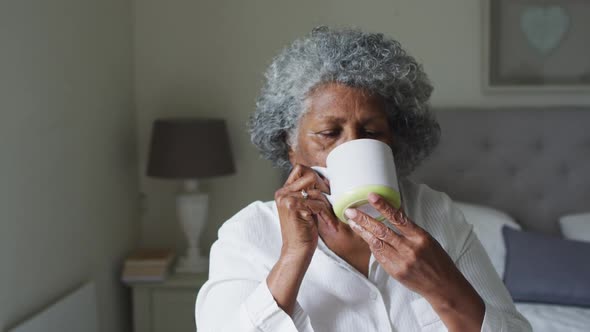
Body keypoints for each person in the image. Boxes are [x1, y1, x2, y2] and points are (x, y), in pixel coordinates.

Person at [195, 26, 531, 332]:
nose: (353, 146)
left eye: (371, 132)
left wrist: (441, 286)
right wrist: (293, 257)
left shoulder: (435, 213)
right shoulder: (248, 234)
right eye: (329, 133)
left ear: (394, 141)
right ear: (291, 147)